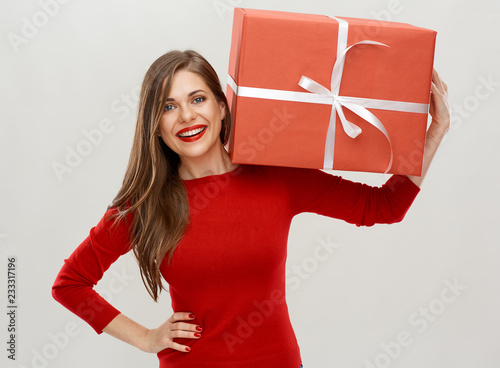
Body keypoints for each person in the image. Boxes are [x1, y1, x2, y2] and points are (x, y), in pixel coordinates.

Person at [52, 49, 450, 368]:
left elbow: (382, 206)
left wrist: (433, 134)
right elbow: (70, 284)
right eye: (169, 106)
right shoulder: (145, 204)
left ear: (222, 107)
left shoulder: (276, 175)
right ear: (155, 125)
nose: (187, 115)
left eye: (197, 99)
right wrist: (145, 338)